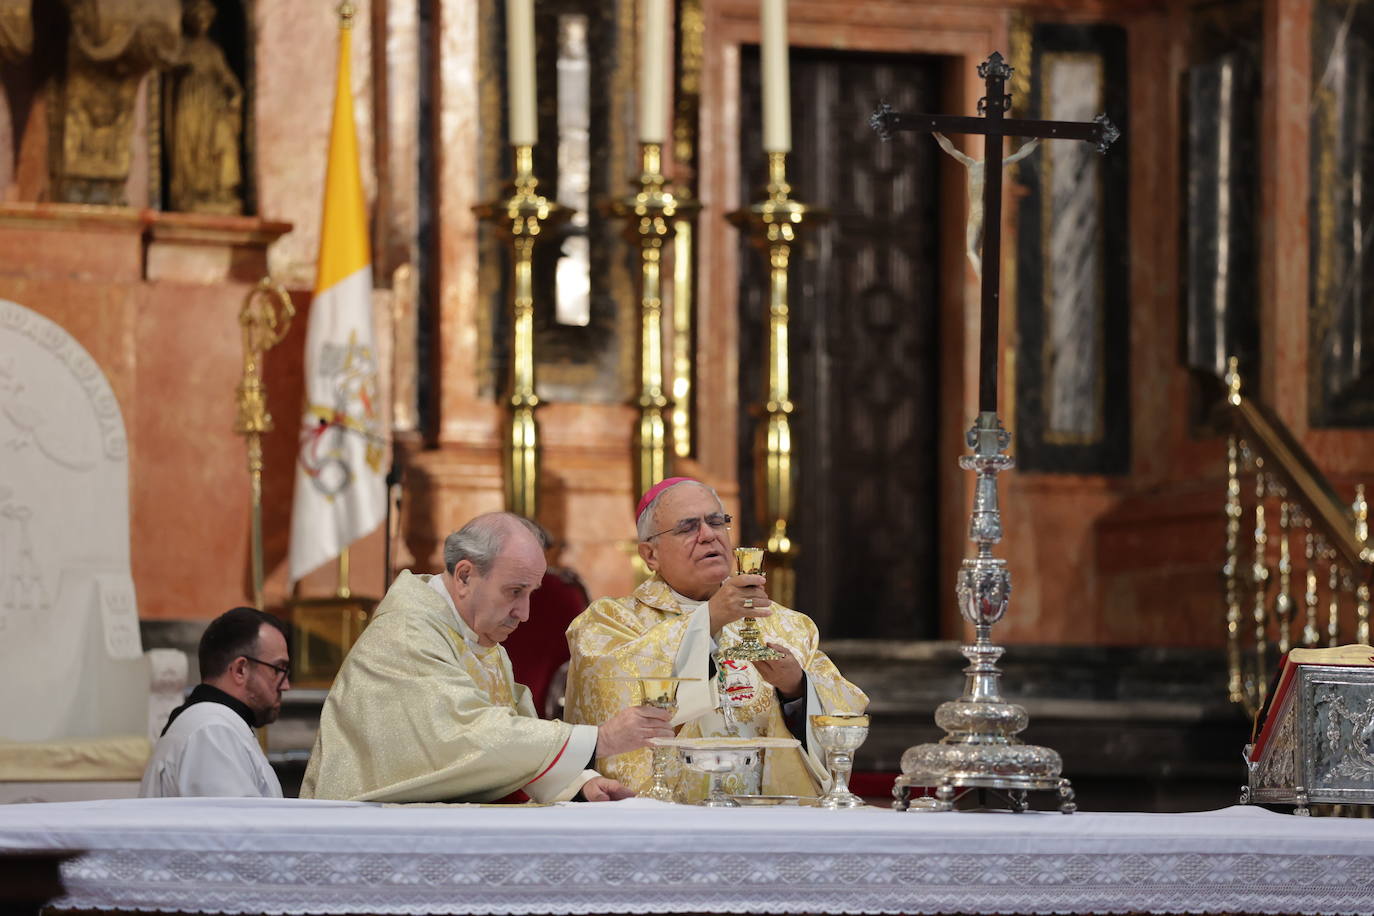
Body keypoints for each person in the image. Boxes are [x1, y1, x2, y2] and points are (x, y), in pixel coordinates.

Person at [301, 512, 672, 803]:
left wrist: (578, 783)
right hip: (367, 832)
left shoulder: (475, 639)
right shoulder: (407, 635)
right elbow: (465, 738)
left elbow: (506, 738)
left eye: (531, 593)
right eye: (514, 591)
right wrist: (599, 739)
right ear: (464, 576)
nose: (524, 613)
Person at [564, 478, 868, 801]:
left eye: (716, 522)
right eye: (687, 527)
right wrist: (708, 619)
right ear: (650, 555)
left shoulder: (788, 627)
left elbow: (845, 715)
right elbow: (613, 693)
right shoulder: (609, 623)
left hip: (765, 824)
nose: (708, 534)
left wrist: (796, 688)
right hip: (665, 824)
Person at [140, 607, 290, 798]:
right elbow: (234, 824)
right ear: (240, 670)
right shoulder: (212, 733)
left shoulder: (215, 726)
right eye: (278, 670)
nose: (286, 685)